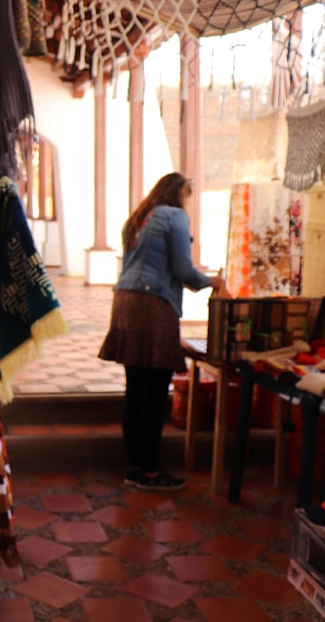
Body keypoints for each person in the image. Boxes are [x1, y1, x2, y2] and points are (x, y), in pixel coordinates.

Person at [98, 172, 225, 492]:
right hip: (153, 305)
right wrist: (213, 282)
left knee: (135, 389)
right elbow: (183, 269)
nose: (189, 201)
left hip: (125, 301)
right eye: (188, 194)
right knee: (154, 394)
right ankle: (151, 472)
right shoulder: (175, 216)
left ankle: (134, 468)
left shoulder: (139, 217)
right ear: (180, 192)